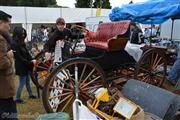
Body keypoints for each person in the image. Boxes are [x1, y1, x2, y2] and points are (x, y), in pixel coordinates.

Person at [11, 27, 36, 104]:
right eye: (21, 33)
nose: (23, 34)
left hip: (25, 65)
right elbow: (19, 57)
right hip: (21, 66)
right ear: (17, 33)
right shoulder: (14, 44)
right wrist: (30, 63)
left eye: (23, 33)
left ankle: (30, 94)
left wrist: (32, 59)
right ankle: (17, 98)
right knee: (22, 82)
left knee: (27, 81)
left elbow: (27, 53)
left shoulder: (22, 42)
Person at [0, 11, 18, 120]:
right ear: (1, 22)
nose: (9, 27)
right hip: (3, 90)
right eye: (9, 23)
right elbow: (2, 63)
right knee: (11, 116)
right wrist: (10, 57)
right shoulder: (1, 39)